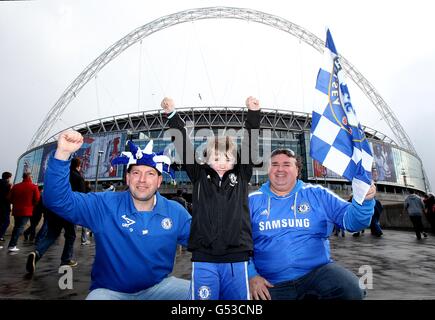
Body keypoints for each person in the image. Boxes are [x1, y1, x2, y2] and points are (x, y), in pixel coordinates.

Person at [27, 130, 191, 300]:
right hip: (110, 292)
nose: (142, 179)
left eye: (150, 173)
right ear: (127, 178)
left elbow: (205, 242)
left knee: (203, 292)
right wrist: (62, 154)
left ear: (158, 180)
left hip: (160, 288)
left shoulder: (175, 212)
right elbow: (58, 200)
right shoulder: (105, 204)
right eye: (136, 173)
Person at [161, 96, 260, 300]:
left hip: (236, 256)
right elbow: (183, 144)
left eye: (227, 158)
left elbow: (250, 143)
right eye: (216, 158)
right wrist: (172, 115)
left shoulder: (241, 176)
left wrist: (253, 114)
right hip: (204, 256)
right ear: (206, 159)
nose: (221, 163)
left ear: (235, 160)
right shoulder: (199, 175)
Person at [248, 148, 376, 300]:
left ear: (297, 171)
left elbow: (352, 222)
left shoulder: (317, 194)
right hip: (270, 282)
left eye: (287, 164)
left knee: (352, 288)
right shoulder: (251, 201)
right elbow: (237, 244)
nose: (280, 169)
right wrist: (251, 276)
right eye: (274, 164)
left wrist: (365, 201)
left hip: (316, 274)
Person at [7, 172, 40, 252]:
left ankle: (12, 245)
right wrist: (31, 205)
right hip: (26, 210)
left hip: (16, 210)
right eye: (31, 176)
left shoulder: (16, 186)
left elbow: (9, 198)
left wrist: (16, 203)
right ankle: (12, 245)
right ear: (29, 177)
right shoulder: (33, 187)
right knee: (19, 228)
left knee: (17, 227)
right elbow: (37, 199)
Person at [0, 171, 13, 243]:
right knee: (6, 222)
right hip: (4, 206)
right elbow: (9, 197)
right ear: (8, 178)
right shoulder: (7, 185)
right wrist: (10, 187)